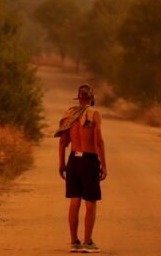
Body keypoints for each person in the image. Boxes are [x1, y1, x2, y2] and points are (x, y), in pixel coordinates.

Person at [54, 84, 107, 253]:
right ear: (91, 99)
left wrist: (61, 163)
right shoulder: (94, 114)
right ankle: (88, 242)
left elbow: (62, 142)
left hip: (73, 161)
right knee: (90, 202)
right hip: (88, 160)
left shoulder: (69, 114)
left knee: (74, 201)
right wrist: (104, 165)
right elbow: (98, 142)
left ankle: (74, 242)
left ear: (79, 98)